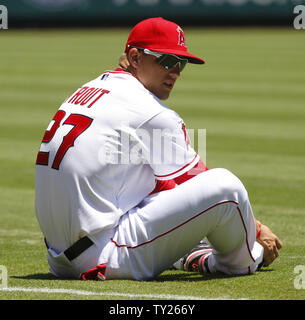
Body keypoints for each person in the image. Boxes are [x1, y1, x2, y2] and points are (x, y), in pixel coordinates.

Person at [35, 17, 282, 281]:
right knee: (227, 187)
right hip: (103, 255)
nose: (174, 71)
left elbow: (170, 185)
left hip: (60, 257)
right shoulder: (149, 111)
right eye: (166, 61)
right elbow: (201, 184)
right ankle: (241, 260)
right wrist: (257, 230)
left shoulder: (90, 89)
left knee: (149, 174)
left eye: (181, 64)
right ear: (135, 57)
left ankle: (181, 251)